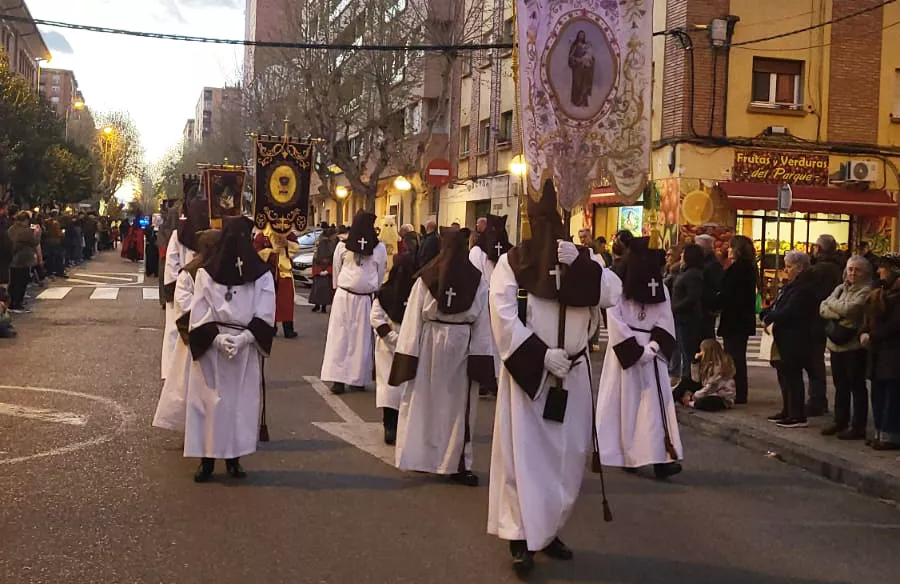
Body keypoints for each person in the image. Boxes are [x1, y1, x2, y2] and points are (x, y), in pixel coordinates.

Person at [487, 181, 622, 577]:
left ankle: (548, 530)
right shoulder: (512, 263)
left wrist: (582, 264)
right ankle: (520, 535)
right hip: (532, 375)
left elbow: (612, 294)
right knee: (524, 458)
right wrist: (541, 356)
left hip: (574, 373)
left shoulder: (583, 259)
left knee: (568, 456)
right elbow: (503, 315)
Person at [389, 227, 494, 486]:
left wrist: (406, 358)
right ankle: (454, 464)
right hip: (460, 346)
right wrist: (482, 362)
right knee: (456, 411)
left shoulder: (426, 278)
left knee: (427, 405)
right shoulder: (478, 281)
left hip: (430, 347)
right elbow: (483, 325)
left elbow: (412, 321)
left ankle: (433, 459)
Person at [184, 216, 276, 482]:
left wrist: (245, 338)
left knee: (237, 405)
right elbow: (199, 312)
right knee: (209, 403)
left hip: (242, 348)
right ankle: (206, 459)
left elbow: (266, 312)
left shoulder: (261, 275)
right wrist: (216, 340)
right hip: (214, 346)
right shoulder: (205, 274)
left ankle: (234, 458)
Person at [597, 236, 683, 477]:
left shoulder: (660, 288)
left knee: (656, 407)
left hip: (652, 354)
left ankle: (662, 458)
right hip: (628, 353)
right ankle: (627, 454)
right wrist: (637, 350)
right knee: (628, 405)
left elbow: (666, 318)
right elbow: (614, 320)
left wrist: (654, 346)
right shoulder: (619, 288)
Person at [152, 228, 222, 433]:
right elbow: (186, 305)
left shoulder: (225, 269)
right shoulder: (190, 271)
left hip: (214, 335)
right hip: (200, 335)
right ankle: (194, 428)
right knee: (193, 387)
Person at [321, 211, 387, 394]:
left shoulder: (379, 248)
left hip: (365, 299)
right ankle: (338, 379)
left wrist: (373, 288)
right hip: (344, 296)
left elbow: (381, 271)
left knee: (361, 339)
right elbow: (337, 268)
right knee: (340, 337)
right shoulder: (342, 247)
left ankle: (357, 378)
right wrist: (338, 289)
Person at [761, 251, 819, 428]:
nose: (786, 270)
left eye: (789, 266)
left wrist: (772, 316)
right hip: (784, 336)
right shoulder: (791, 286)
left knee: (792, 376)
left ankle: (797, 414)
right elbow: (779, 305)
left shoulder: (804, 287)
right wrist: (767, 313)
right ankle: (787, 409)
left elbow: (791, 311)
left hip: (796, 336)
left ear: (800, 267)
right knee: (784, 375)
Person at [820, 255, 872, 440]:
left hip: (854, 346)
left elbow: (851, 309)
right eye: (850, 269)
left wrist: (835, 309)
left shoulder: (866, 290)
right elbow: (822, 307)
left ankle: (858, 426)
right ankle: (840, 420)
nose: (852, 273)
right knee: (840, 385)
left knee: (856, 386)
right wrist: (838, 309)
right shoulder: (841, 288)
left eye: (857, 270)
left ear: (865, 273)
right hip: (835, 344)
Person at [370, 254, 417, 445]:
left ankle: (405, 426)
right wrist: (394, 339)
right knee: (390, 388)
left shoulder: (417, 294)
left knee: (407, 389)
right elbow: (376, 318)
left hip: (409, 345)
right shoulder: (384, 293)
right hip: (389, 346)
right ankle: (389, 425)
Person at [162, 200, 210, 380]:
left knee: (176, 330)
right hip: (197, 286)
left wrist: (173, 289)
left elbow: (171, 264)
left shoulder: (179, 234)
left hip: (182, 286)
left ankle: (171, 373)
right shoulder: (209, 235)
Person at [862, 256, 900, 451]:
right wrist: (864, 331)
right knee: (878, 392)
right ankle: (879, 432)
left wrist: (872, 335)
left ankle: (890, 435)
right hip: (878, 352)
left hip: (893, 353)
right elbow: (868, 318)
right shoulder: (878, 293)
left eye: (883, 268)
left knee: (892, 395)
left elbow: (895, 325)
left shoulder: (896, 296)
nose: (879, 272)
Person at [806, 234, 845, 416]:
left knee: (815, 361)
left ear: (819, 249)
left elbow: (810, 293)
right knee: (817, 360)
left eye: (815, 247)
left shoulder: (819, 270)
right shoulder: (837, 267)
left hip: (817, 318)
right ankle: (818, 399)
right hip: (827, 318)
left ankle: (817, 400)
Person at [716, 235, 757, 405]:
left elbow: (728, 294)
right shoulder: (748, 268)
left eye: (731, 247)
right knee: (736, 355)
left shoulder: (738, 270)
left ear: (738, 250)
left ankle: (739, 392)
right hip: (740, 318)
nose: (728, 250)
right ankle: (738, 390)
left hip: (735, 318)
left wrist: (715, 299)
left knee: (735, 356)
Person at [253, 224, 300, 338]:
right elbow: (256, 250)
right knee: (269, 301)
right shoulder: (262, 235)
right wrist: (271, 252)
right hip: (269, 271)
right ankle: (271, 327)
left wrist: (286, 244)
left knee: (286, 301)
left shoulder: (288, 234)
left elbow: (296, 247)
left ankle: (288, 329)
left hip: (284, 272)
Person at [671, 244, 705, 399]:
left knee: (688, 352)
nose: (682, 256)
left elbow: (692, 297)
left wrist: (675, 308)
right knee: (684, 351)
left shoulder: (693, 275)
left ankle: (688, 382)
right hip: (682, 318)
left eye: (684, 254)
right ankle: (685, 381)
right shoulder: (685, 272)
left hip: (687, 319)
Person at [680, 338, 736, 411]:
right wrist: (695, 363)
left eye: (702, 350)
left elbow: (711, 387)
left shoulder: (721, 366)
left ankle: (692, 403)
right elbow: (695, 379)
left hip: (721, 396)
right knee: (685, 381)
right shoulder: (707, 362)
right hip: (707, 389)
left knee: (706, 401)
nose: (701, 353)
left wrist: (694, 396)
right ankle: (673, 398)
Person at [7, 212, 37, 314]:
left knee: (13, 282)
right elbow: (34, 242)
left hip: (12, 259)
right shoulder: (26, 231)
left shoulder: (11, 229)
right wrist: (36, 233)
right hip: (23, 260)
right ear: (25, 220)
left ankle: (11, 303)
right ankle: (17, 304)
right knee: (21, 282)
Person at [694, 234, 723, 341]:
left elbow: (715, 287)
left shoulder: (712, 265)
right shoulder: (702, 263)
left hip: (706, 309)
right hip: (702, 308)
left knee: (706, 339)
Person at [309, 227, 337, 313]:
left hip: (323, 268)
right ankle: (319, 306)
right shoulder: (327, 243)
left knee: (320, 290)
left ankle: (319, 306)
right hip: (322, 268)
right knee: (321, 290)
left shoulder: (327, 243)